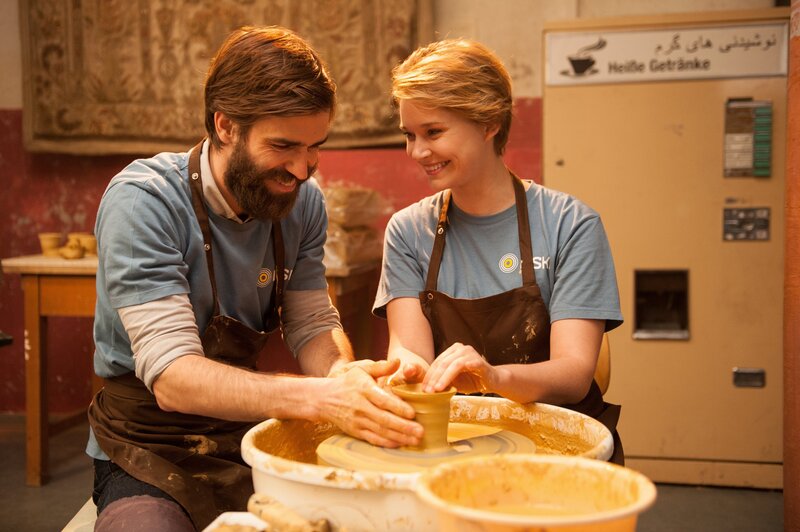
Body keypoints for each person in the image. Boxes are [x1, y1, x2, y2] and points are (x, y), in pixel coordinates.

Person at [87, 26, 422, 531]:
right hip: (148, 445)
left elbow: (311, 320)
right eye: (283, 145)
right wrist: (319, 399)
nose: (303, 169)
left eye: (315, 147)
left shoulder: (302, 201)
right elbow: (174, 379)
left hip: (246, 429)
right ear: (225, 126)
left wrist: (341, 375)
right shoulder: (145, 202)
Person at [374, 38, 625, 464]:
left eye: (433, 132)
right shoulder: (408, 231)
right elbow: (410, 352)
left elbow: (574, 374)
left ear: (489, 122)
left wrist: (493, 377)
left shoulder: (570, 225)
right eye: (409, 135)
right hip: (455, 440)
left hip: (557, 439)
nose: (416, 152)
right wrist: (405, 374)